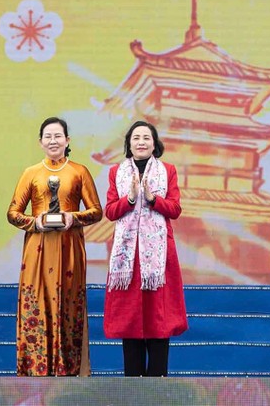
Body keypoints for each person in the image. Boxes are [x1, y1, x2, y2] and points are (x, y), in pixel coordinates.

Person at [7, 116, 102, 376]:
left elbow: (96, 212)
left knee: (68, 304)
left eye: (58, 136)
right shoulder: (31, 173)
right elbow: (13, 213)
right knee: (37, 303)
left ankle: (69, 370)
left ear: (67, 140)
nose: (53, 141)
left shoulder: (79, 171)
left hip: (69, 247)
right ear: (40, 142)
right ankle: (35, 371)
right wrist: (34, 222)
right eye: (47, 136)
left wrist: (75, 217)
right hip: (38, 248)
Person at [103, 120, 188, 377]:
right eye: (136, 138)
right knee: (130, 319)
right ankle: (132, 386)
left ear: (155, 144)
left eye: (146, 138)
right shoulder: (116, 171)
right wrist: (129, 199)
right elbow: (109, 211)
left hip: (159, 258)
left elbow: (175, 209)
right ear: (129, 143)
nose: (141, 142)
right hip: (128, 259)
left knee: (158, 319)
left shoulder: (168, 170)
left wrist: (153, 199)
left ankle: (158, 385)